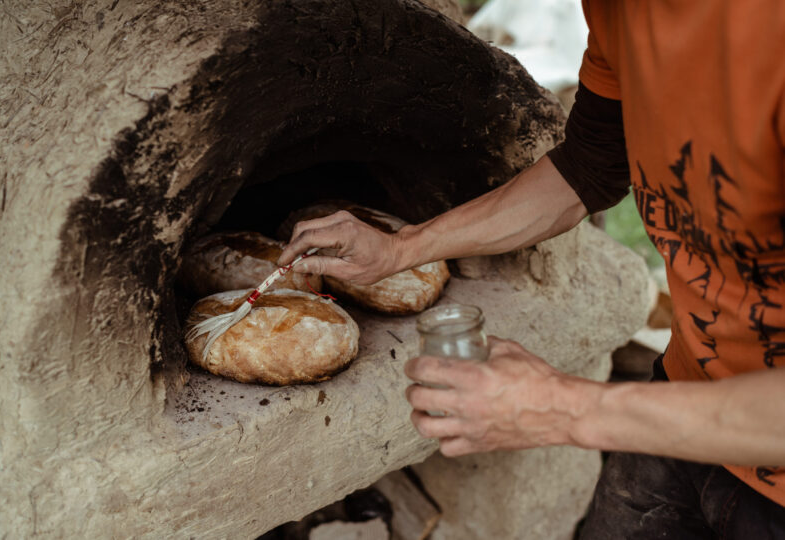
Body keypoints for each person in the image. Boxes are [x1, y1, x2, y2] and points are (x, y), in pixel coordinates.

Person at [279, 1, 785, 536]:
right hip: (683, 400)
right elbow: (588, 166)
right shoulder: (620, 12)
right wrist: (402, 249)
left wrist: (564, 408)